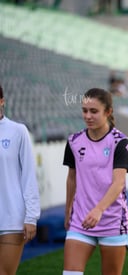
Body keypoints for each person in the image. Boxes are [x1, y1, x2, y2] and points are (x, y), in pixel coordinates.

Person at [62, 88, 128, 275]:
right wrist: (68, 209)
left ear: (108, 112)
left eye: (94, 111)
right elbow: (72, 178)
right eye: (85, 110)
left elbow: (118, 183)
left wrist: (99, 210)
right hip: (80, 221)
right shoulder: (74, 141)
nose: (88, 116)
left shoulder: (120, 142)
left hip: (113, 222)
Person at [0, 84, 41, 275]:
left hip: (11, 219)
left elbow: (28, 176)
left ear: (2, 101)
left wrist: (31, 216)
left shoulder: (18, 131)